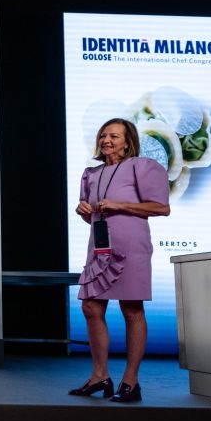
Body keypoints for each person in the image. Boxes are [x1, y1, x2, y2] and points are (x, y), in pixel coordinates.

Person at [71, 118, 170, 403]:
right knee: (91, 306)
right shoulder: (91, 173)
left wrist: (120, 204)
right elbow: (91, 215)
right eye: (103, 135)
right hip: (99, 247)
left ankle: (130, 381)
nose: (106, 140)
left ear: (128, 142)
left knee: (131, 309)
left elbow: (162, 207)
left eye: (114, 136)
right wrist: (83, 210)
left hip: (132, 246)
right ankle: (100, 375)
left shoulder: (143, 167)